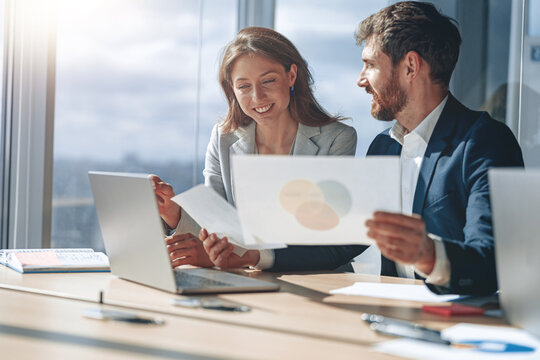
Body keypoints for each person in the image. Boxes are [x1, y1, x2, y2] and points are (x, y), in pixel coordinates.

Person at [201, 1, 524, 296]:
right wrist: (258, 255)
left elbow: (495, 259)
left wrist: (429, 254)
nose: (361, 80)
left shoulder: (484, 142)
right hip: (391, 314)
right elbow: (345, 241)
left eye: (369, 65)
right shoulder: (384, 147)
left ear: (410, 67)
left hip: (464, 322)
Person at [152, 26, 357, 269]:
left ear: (291, 76)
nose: (257, 97)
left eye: (268, 81)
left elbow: (324, 241)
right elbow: (218, 226)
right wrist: (174, 212)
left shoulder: (336, 139)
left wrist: (249, 255)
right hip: (248, 278)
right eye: (244, 86)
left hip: (319, 279)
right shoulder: (223, 137)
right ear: (232, 88)